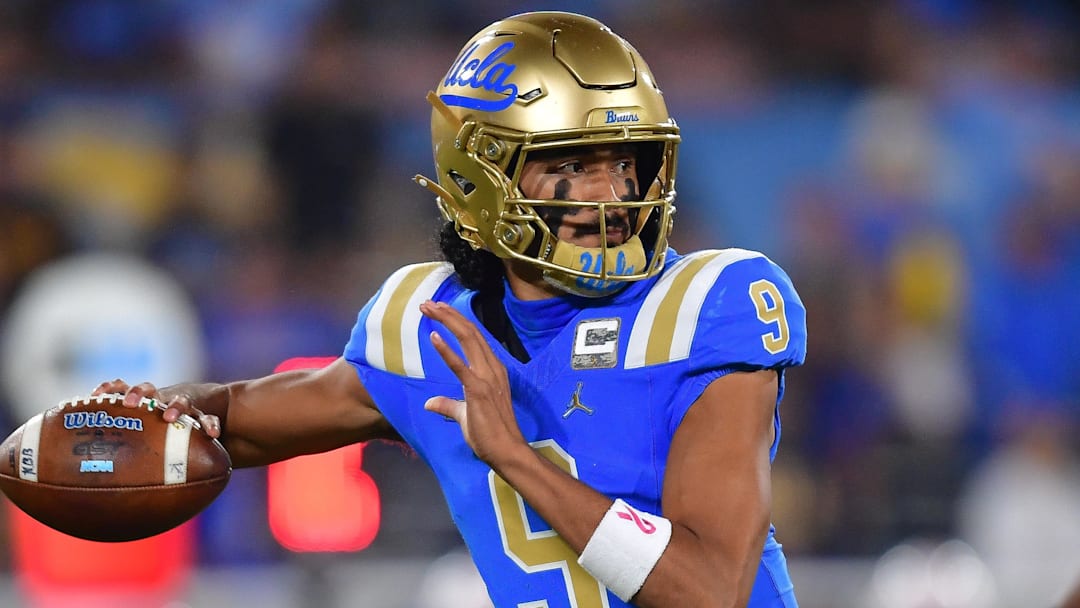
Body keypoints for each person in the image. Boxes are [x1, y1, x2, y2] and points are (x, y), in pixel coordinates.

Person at [97, 11, 806, 608]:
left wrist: (517, 460)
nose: (611, 194)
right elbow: (238, 420)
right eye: (570, 165)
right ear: (479, 178)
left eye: (626, 162)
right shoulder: (427, 323)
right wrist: (152, 411)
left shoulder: (706, 306)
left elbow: (710, 590)